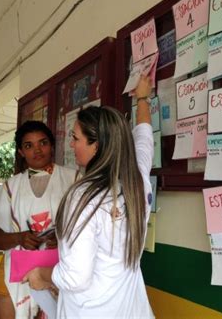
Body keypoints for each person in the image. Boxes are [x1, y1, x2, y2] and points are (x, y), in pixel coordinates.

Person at [25, 75, 155, 318]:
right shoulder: (138, 183)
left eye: (76, 138)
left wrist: (41, 275)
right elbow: (144, 140)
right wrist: (143, 98)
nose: (71, 145)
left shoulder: (83, 196)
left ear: (96, 146)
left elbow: (76, 277)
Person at [0, 120, 77, 319]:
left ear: (52, 146)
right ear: (20, 151)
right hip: (16, 268)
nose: (37, 150)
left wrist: (63, 237)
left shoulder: (74, 179)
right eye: (29, 146)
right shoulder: (11, 187)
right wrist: (19, 238)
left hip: (62, 268)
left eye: (42, 143)